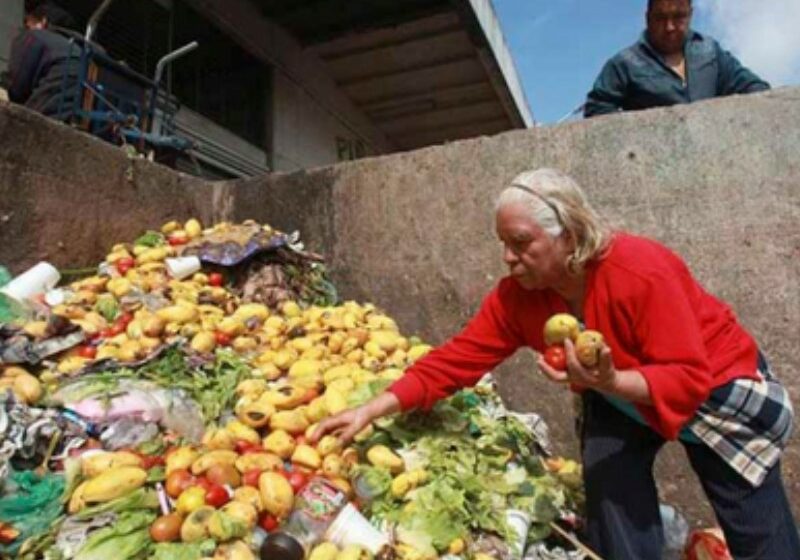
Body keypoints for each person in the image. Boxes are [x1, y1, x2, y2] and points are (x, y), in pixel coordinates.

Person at [311, 168, 800, 560]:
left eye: (521, 242)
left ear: (569, 235)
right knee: (610, 484)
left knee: (751, 516)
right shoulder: (519, 299)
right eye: (502, 242)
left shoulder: (641, 270)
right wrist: (375, 408)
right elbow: (458, 359)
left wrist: (611, 379)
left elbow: (688, 375)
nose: (507, 256)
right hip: (617, 391)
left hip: (714, 389)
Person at [584, 0, 770, 118]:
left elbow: (755, 89)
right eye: (661, 18)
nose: (670, 27)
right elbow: (596, 110)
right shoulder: (624, 63)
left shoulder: (710, 51)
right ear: (648, 18)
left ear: (690, 14)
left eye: (678, 17)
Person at [7, 1, 80, 119]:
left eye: (27, 25)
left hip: (48, 117)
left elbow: (17, 89)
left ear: (43, 22)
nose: (25, 30)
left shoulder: (35, 37)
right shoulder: (85, 50)